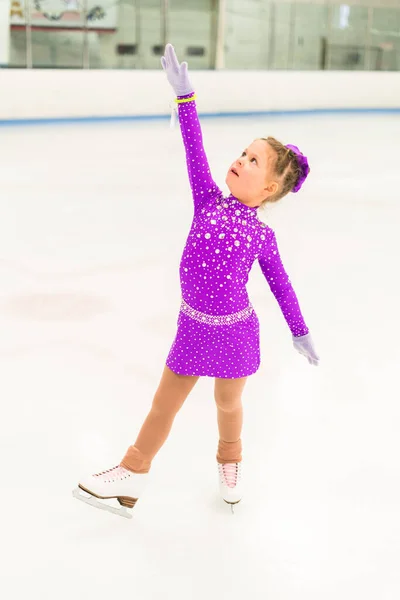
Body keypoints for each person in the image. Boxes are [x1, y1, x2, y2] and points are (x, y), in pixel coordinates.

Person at [73, 44, 319, 519]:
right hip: (193, 326)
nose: (240, 161)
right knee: (163, 403)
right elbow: (194, 148)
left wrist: (299, 329)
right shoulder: (206, 198)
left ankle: (230, 461)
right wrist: (185, 98)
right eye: (243, 153)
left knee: (228, 404)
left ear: (268, 189)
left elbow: (281, 286)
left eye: (253, 162)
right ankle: (132, 471)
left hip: (235, 332)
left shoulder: (262, 235)